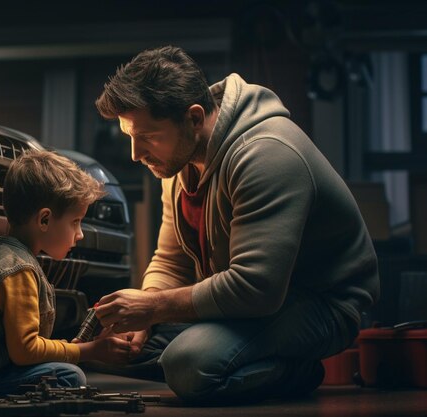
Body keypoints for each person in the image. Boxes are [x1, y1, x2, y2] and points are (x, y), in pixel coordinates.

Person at [92, 45, 380, 404]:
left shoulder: (267, 153)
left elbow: (256, 287)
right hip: (241, 303)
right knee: (107, 350)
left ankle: (296, 370)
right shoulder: (176, 164)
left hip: (321, 303)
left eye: (147, 137)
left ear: (194, 118)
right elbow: (171, 261)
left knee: (187, 365)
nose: (136, 154)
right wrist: (144, 317)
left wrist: (153, 308)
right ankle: (233, 356)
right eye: (130, 137)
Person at [0, 149, 133, 395]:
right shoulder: (19, 271)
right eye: (76, 222)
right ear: (44, 220)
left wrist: (77, 346)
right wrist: (90, 351)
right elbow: (25, 351)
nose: (80, 234)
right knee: (70, 375)